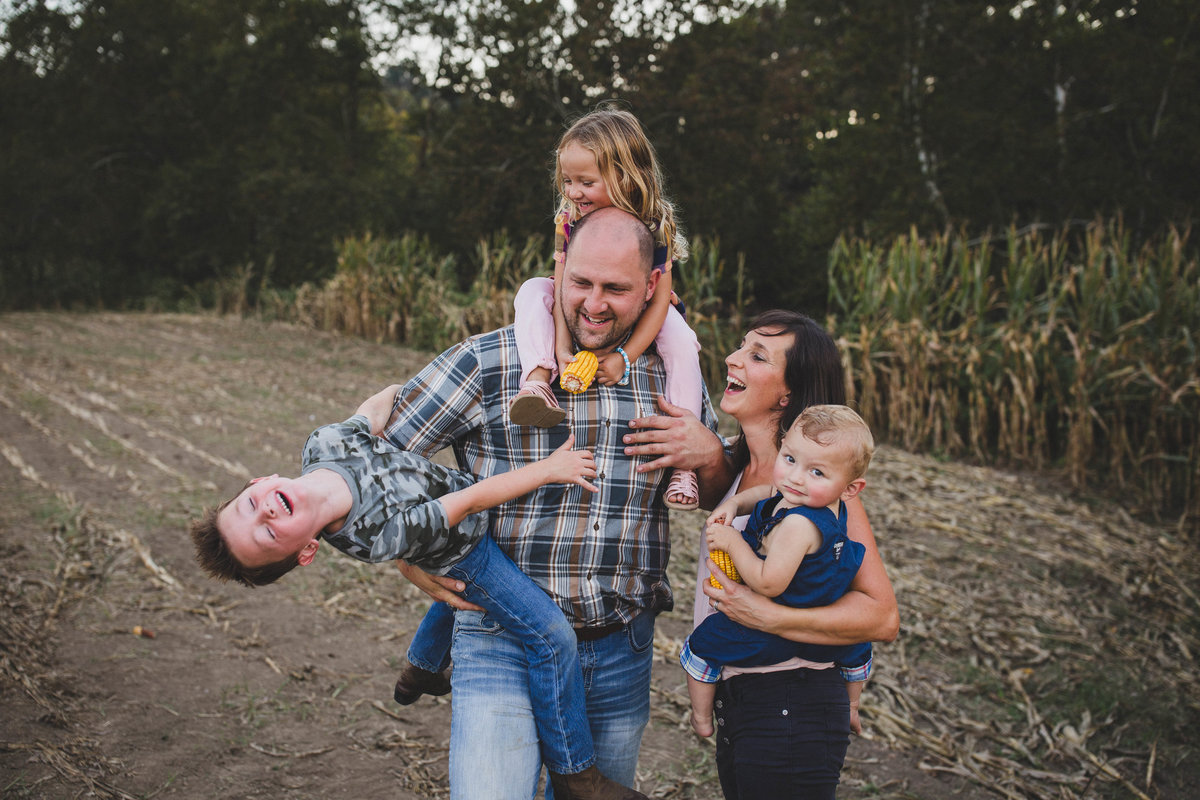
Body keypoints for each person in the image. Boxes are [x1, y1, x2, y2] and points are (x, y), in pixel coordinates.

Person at [385, 206, 729, 800]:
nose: (594, 304)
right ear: (560, 270)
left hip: (620, 646)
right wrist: (408, 553)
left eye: (616, 289)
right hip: (501, 639)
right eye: (582, 284)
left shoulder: (671, 377)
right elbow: (382, 463)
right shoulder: (491, 362)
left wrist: (710, 454)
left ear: (652, 286)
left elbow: (715, 497)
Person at [188, 383, 650, 800]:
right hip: (468, 550)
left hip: (462, 526)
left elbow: (369, 414)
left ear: (259, 482)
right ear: (307, 551)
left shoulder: (323, 443)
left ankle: (422, 669)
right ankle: (577, 776)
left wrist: (402, 390)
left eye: (250, 505)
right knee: (551, 636)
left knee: (459, 598)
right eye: (266, 536)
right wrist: (550, 469)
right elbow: (469, 502)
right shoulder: (375, 536)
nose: (264, 513)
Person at [620, 309, 899, 800]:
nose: (731, 358)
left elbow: (881, 617)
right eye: (740, 346)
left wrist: (768, 615)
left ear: (788, 393)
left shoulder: (820, 493)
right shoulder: (742, 467)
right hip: (743, 696)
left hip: (793, 699)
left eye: (756, 355)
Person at [507, 106, 705, 511]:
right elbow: (562, 286)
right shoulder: (568, 218)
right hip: (575, 303)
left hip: (645, 308)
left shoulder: (654, 222)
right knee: (531, 290)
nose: (574, 191)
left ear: (625, 175)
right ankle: (538, 381)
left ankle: (685, 459)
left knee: (682, 341)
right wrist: (563, 350)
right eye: (567, 181)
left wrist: (624, 358)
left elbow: (659, 298)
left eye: (586, 181)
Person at [681, 404, 875, 741]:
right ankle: (852, 704)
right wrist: (733, 504)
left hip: (779, 629)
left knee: (702, 644)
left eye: (817, 472)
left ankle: (701, 718)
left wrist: (732, 542)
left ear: (850, 489)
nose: (796, 477)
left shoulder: (799, 525)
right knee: (857, 646)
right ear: (782, 447)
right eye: (789, 459)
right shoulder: (800, 497)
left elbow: (768, 582)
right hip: (822, 622)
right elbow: (766, 494)